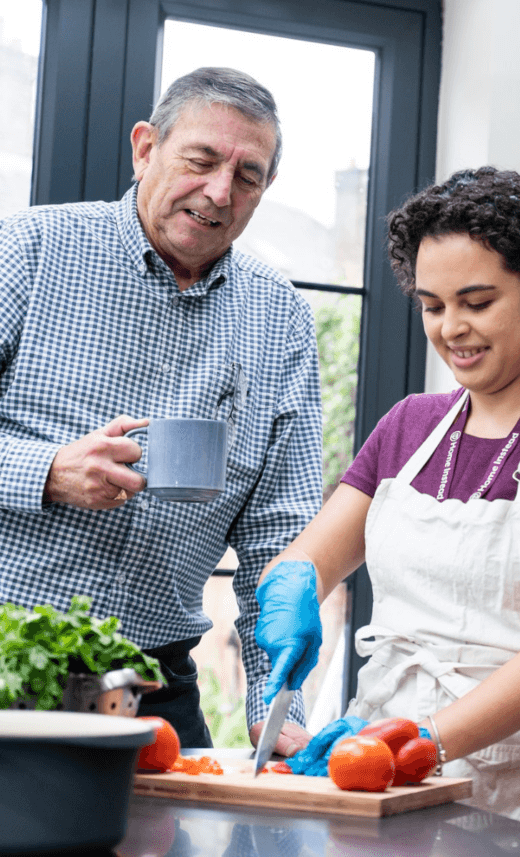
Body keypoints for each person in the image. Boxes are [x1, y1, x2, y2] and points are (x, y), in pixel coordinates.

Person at [254, 166, 520, 842]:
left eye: (477, 301)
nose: (452, 329)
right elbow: (310, 556)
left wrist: (422, 740)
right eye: (433, 305)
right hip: (378, 771)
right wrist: (292, 585)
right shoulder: (409, 425)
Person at [0, 67, 323, 750]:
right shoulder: (26, 250)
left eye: (248, 176)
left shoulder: (283, 319)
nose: (219, 192)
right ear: (145, 148)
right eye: (201, 161)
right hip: (9, 658)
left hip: (153, 686)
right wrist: (46, 470)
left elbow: (280, 537)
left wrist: (278, 704)